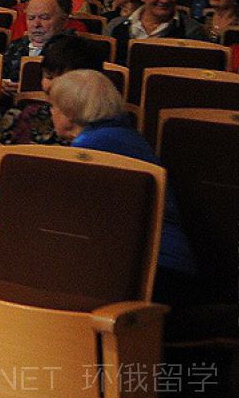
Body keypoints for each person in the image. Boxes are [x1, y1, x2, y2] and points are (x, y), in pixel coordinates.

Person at [47, 69, 196, 299]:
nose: (51, 114)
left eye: (53, 107)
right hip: (167, 267)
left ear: (68, 113)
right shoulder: (124, 136)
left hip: (154, 272)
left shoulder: (92, 149)